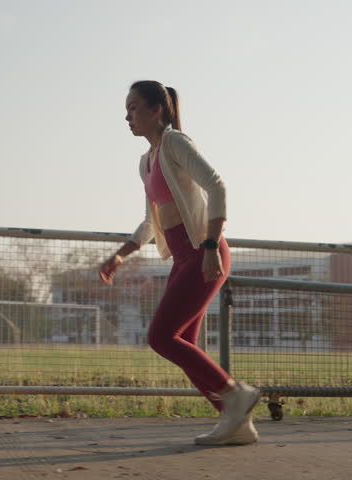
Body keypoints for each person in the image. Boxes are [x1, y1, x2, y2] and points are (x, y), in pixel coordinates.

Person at [99, 80, 260, 446]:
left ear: (158, 110)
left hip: (204, 252)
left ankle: (235, 394)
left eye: (135, 107)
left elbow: (217, 186)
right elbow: (150, 222)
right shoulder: (146, 162)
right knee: (184, 343)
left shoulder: (175, 143)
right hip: (184, 259)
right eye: (126, 109)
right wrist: (120, 255)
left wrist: (207, 248)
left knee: (161, 336)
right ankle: (237, 424)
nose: (127, 116)